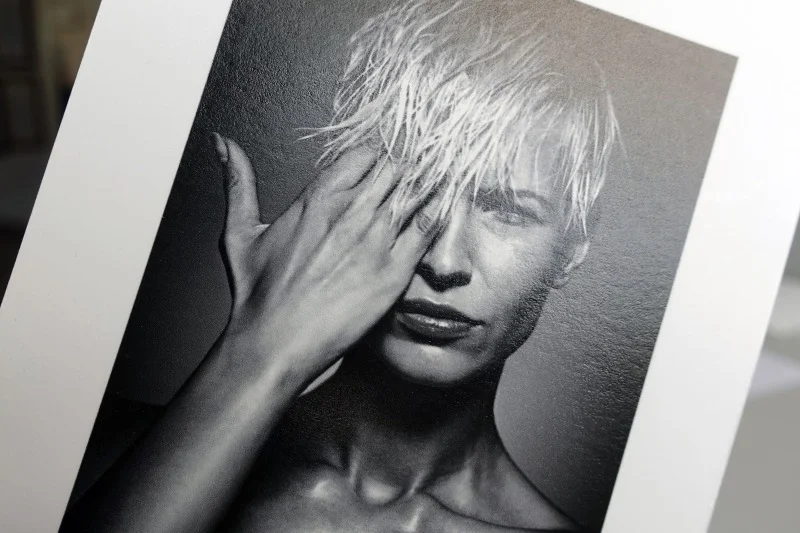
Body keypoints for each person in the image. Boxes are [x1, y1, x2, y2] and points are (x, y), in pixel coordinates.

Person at [63, 0, 619, 531]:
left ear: (571, 250)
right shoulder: (102, 455)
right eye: (413, 191)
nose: (444, 261)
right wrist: (255, 355)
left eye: (508, 211)